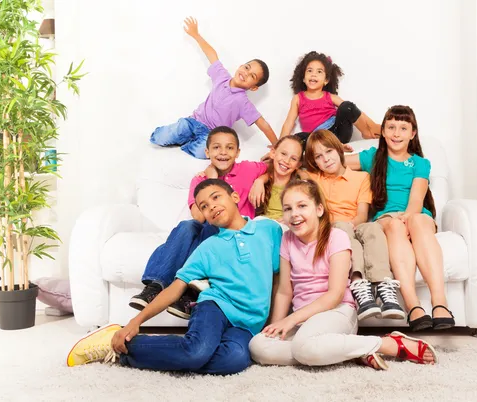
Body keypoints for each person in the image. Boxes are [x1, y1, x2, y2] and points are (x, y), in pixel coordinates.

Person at [67, 179, 282, 375]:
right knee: (197, 352)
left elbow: (277, 278)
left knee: (234, 360)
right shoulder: (208, 248)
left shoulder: (268, 229)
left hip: (247, 324)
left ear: (235, 197)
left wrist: (274, 323)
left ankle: (157, 350)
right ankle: (117, 345)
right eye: (204, 206)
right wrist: (136, 321)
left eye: (216, 197)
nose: (212, 206)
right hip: (215, 308)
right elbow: (175, 288)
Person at [249, 179, 437, 370]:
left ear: (319, 209)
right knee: (258, 346)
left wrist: (291, 320)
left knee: (304, 348)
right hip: (302, 318)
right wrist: (277, 326)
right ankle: (351, 351)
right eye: (287, 209)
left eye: (302, 206)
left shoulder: (336, 237)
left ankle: (388, 344)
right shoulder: (287, 239)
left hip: (337, 311)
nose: (294, 214)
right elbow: (284, 292)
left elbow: (335, 294)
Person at [130, 127, 267, 320]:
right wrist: (211, 181)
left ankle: (189, 294)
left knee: (205, 235)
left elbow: (272, 166)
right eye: (217, 147)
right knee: (186, 227)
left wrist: (261, 180)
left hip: (234, 234)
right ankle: (155, 286)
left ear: (237, 152)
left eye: (229, 148)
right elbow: (198, 217)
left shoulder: (248, 169)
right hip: (209, 230)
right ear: (207, 152)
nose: (223, 152)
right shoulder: (199, 179)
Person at [346, 105, 455, 331]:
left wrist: (408, 218)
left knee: (417, 221)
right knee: (394, 226)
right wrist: (333, 147)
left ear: (413, 134)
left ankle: (440, 303)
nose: (397, 133)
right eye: (391, 127)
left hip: (414, 214)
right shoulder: (373, 157)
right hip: (385, 218)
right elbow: (334, 163)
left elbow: (416, 200)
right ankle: (413, 306)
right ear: (383, 132)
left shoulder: (420, 163)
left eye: (403, 128)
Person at [303, 130, 405, 321]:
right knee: (341, 228)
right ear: (313, 161)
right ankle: (360, 286)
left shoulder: (361, 178)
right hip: (334, 228)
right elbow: (290, 161)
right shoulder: (315, 179)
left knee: (374, 227)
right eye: (318, 156)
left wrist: (353, 225)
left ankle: (384, 285)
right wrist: (262, 178)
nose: (325, 159)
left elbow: (362, 215)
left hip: (357, 223)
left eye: (329, 151)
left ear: (339, 150)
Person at [150, 17, 278, 159]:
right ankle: (181, 133)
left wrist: (277, 145)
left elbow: (263, 124)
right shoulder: (222, 77)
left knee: (205, 152)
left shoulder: (243, 102)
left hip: (211, 135)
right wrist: (196, 35)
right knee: (162, 137)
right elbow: (212, 54)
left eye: (252, 76)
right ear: (241, 65)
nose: (245, 73)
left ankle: (188, 143)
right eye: (246, 67)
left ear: (253, 88)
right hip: (193, 121)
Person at [280, 51, 380, 150]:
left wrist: (371, 125)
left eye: (319, 72)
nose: (313, 74)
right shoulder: (298, 98)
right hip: (317, 139)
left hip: (338, 132)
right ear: (303, 78)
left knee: (346, 106)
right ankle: (336, 148)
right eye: (309, 71)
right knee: (298, 138)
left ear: (326, 80)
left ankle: (368, 131)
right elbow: (289, 123)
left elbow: (353, 111)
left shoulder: (329, 97)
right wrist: (280, 145)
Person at [248, 135, 304, 222]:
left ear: (298, 165)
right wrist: (259, 181)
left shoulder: (300, 188)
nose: (286, 161)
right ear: (273, 153)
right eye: (283, 154)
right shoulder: (259, 182)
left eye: (293, 158)